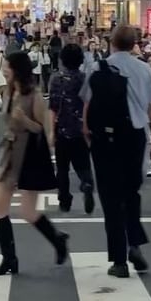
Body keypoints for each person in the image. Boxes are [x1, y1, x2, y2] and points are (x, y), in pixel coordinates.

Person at [82, 26, 151, 278]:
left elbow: (87, 103)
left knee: (110, 198)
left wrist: (87, 132)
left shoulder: (97, 68)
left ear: (112, 43)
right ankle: (135, 245)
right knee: (131, 193)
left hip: (105, 138)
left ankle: (119, 261)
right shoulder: (145, 69)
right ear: (134, 44)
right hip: (135, 136)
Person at [0, 51, 69, 276]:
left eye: (7, 66)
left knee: (28, 211)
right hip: (8, 152)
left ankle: (57, 239)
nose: (4, 70)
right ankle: (9, 259)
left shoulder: (33, 95)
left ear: (17, 70)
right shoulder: (7, 90)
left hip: (29, 156)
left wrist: (24, 121)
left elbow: (41, 129)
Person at [48, 43, 95, 214]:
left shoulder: (56, 79)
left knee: (62, 168)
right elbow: (90, 103)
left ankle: (64, 199)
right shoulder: (85, 79)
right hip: (82, 129)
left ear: (62, 60)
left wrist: (51, 132)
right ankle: (87, 183)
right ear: (81, 60)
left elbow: (53, 107)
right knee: (83, 164)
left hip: (61, 129)